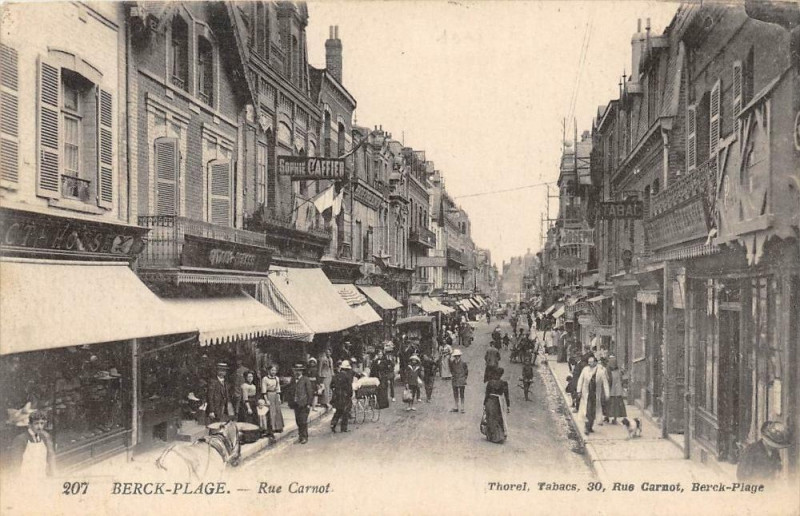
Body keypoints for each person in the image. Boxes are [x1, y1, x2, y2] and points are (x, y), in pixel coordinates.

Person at [8, 410, 56, 478]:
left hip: (41, 476)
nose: (39, 426)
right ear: (29, 425)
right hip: (25, 479)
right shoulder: (21, 439)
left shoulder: (45, 437)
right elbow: (16, 463)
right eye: (36, 423)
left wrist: (52, 474)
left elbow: (50, 457)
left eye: (42, 423)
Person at [577, 356, 609, 435]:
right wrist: (579, 391)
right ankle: (586, 427)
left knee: (593, 411)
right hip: (586, 394)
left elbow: (605, 383)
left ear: (595, 362)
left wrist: (607, 394)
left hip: (595, 395)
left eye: (591, 362)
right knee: (587, 411)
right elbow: (580, 380)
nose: (589, 363)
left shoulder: (601, 372)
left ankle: (590, 426)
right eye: (589, 362)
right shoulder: (585, 370)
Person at [483, 368, 510, 443]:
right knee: (498, 419)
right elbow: (507, 395)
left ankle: (491, 436)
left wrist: (484, 403)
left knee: (490, 418)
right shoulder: (504, 383)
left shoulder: (490, 383)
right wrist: (508, 405)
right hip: (498, 402)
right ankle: (499, 436)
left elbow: (487, 394)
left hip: (490, 401)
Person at [289, 363, 314, 444]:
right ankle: (300, 436)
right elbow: (291, 391)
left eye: (299, 371)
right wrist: (291, 402)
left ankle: (304, 437)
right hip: (296, 403)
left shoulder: (305, 379)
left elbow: (310, 392)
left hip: (304, 403)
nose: (298, 372)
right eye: (296, 370)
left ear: (302, 371)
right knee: (298, 420)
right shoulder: (293, 380)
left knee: (303, 421)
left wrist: (309, 403)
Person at [330, 360, 354, 433]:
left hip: (337, 395)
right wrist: (350, 394)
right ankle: (343, 428)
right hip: (345, 395)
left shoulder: (336, 376)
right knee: (345, 412)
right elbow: (349, 387)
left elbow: (331, 385)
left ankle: (333, 424)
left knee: (338, 411)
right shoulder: (347, 376)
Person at [261, 365, 284, 434]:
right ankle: (272, 428)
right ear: (268, 371)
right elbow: (264, 390)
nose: (273, 372)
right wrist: (266, 400)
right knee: (271, 411)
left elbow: (278, 388)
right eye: (272, 370)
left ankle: (278, 427)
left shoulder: (276, 378)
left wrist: (279, 398)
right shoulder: (265, 379)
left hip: (275, 395)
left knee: (277, 411)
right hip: (269, 395)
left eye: (275, 370)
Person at [605, 356, 626, 424]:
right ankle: (609, 417)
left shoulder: (616, 371)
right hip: (613, 391)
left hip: (614, 391)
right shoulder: (611, 371)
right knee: (612, 405)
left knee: (613, 406)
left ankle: (612, 418)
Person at [449, 349, 469, 413]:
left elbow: (466, 371)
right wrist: (453, 375)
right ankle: (456, 406)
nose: (456, 357)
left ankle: (462, 407)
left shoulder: (463, 363)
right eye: (455, 356)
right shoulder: (452, 363)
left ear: (460, 356)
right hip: (455, 379)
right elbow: (451, 370)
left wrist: (464, 378)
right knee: (455, 393)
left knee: (462, 393)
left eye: (458, 356)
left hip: (461, 379)